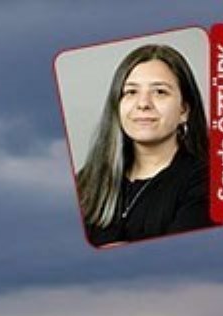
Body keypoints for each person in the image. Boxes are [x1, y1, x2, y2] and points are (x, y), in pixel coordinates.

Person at [74, 44, 212, 247]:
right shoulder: (86, 180)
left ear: (184, 110)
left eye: (159, 92)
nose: (143, 103)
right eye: (130, 92)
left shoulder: (209, 180)